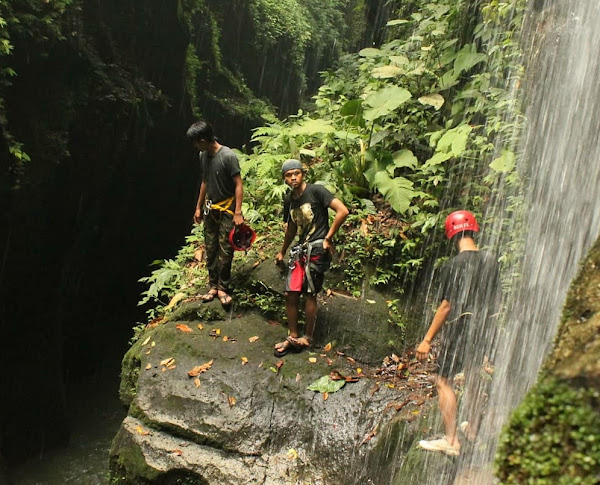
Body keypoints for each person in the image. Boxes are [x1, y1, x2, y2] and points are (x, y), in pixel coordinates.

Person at [416, 210, 501, 456]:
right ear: (474, 230)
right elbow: (496, 300)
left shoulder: (452, 266)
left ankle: (451, 440)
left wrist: (427, 340)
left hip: (462, 327)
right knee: (474, 375)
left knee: (443, 380)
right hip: (485, 328)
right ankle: (473, 429)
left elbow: (446, 306)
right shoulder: (491, 261)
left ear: (451, 236)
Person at [274, 159, 349, 357]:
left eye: (296, 173)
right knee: (291, 292)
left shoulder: (316, 191)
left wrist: (328, 237)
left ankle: (308, 337)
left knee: (309, 293)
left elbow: (343, 211)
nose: (293, 178)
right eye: (289, 175)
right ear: (284, 178)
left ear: (303, 174)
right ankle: (292, 335)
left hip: (316, 248)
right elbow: (291, 228)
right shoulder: (289, 199)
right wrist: (282, 250)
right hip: (299, 249)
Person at [187, 120, 244, 306]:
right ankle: (213, 285)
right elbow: (204, 181)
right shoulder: (203, 155)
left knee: (225, 249)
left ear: (203, 139)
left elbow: (238, 184)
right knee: (210, 247)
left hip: (227, 209)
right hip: (210, 209)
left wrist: (237, 212)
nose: (195, 146)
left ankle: (223, 288)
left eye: (196, 141)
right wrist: (198, 206)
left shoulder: (228, 156)